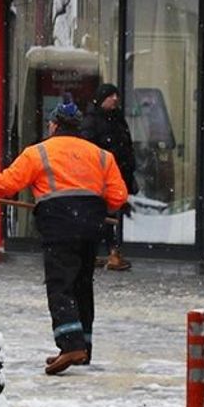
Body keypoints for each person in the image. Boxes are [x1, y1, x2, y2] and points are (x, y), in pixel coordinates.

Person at [0, 95, 128, 375]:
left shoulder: (38, 152)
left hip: (59, 223)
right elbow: (118, 196)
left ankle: (71, 345)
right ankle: (82, 347)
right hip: (91, 225)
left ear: (54, 125)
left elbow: (7, 183)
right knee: (82, 286)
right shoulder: (101, 155)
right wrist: (95, 206)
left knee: (60, 284)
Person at [80, 84, 138, 271]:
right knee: (105, 215)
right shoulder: (92, 120)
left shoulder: (117, 118)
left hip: (118, 173)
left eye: (116, 95)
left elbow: (126, 144)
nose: (115, 99)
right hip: (102, 175)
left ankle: (99, 252)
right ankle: (109, 252)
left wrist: (129, 166)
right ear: (101, 99)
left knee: (108, 214)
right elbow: (88, 149)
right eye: (110, 96)